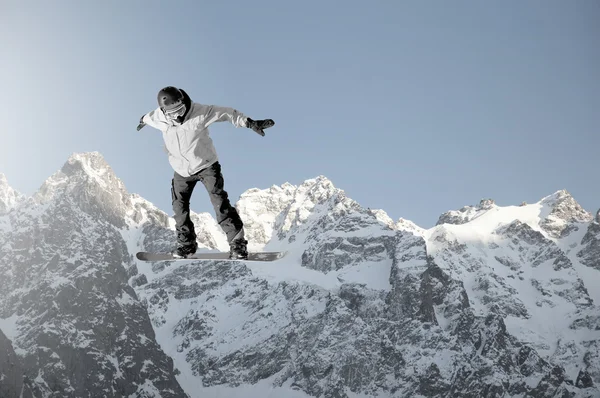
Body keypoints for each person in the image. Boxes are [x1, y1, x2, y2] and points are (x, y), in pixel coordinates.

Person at [136, 86, 274, 259]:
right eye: (172, 113)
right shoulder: (158, 117)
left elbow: (227, 113)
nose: (177, 115)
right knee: (179, 208)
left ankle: (237, 244)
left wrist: (250, 122)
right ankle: (187, 245)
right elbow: (147, 118)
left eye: (180, 109)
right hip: (181, 171)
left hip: (207, 165)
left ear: (183, 102)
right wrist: (141, 121)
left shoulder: (200, 112)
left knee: (219, 201)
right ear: (164, 111)